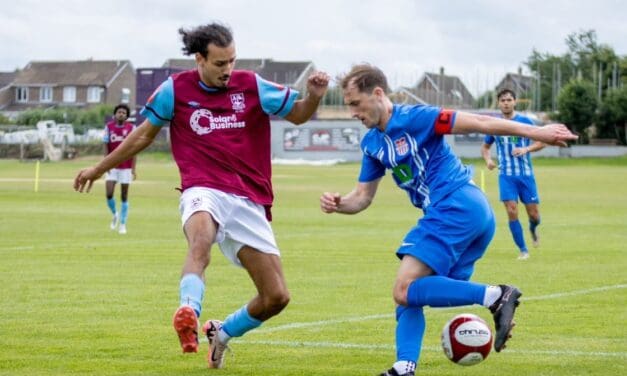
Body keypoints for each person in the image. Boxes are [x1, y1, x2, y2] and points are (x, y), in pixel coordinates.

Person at [74, 23, 330, 369]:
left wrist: (313, 95)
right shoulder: (174, 90)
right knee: (200, 241)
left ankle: (221, 333)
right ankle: (188, 311)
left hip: (248, 197)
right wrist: (99, 168)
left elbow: (299, 115)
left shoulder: (252, 85)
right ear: (199, 59)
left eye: (232, 61)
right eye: (220, 63)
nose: (228, 70)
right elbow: (141, 137)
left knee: (276, 297)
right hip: (202, 187)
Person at [319, 64, 577, 376]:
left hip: (455, 205)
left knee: (404, 288)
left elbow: (480, 121)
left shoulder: (418, 117)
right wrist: (338, 204)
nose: (352, 113)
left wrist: (538, 132)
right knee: (412, 294)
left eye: (354, 104)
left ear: (377, 94)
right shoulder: (372, 144)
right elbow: (362, 197)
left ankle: (497, 295)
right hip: (466, 213)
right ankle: (404, 367)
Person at [481, 89, 544, 260]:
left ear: (515, 102)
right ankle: (523, 250)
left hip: (526, 175)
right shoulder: (494, 125)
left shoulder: (525, 122)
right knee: (511, 210)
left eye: (509, 100)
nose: (506, 103)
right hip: (506, 176)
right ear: (499, 103)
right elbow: (485, 147)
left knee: (534, 214)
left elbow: (541, 141)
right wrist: (488, 160)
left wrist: (526, 149)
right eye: (503, 100)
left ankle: (533, 228)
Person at [103, 104, 136, 235]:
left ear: (127, 116)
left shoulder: (131, 128)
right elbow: (105, 145)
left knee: (124, 196)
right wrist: (106, 163)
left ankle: (122, 224)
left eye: (123, 112)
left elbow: (134, 148)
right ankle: (115, 214)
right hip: (112, 166)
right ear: (115, 114)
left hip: (126, 167)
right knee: (109, 193)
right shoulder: (109, 127)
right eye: (119, 112)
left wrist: (133, 168)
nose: (121, 114)